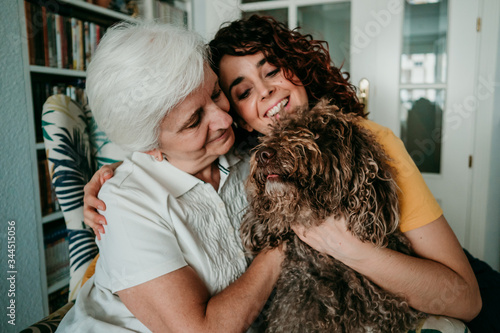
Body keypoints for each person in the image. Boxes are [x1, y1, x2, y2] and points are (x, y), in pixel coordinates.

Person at [84, 15, 484, 328]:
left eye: (271, 70)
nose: (222, 119)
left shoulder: (358, 145)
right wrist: (115, 179)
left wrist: (348, 247)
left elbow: (466, 297)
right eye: (241, 92)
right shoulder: (239, 154)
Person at [56, 22, 283, 332]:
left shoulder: (242, 144)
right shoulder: (123, 203)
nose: (224, 118)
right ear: (149, 147)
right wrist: (285, 243)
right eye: (193, 121)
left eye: (216, 93)